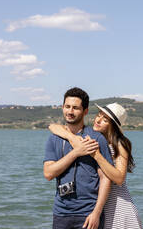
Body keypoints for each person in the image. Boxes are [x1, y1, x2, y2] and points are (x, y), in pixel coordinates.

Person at [49, 102, 143, 229]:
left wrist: (97, 155)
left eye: (105, 120)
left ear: (113, 126)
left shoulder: (120, 144)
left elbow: (120, 178)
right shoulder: (94, 139)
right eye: (99, 115)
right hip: (99, 203)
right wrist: (69, 136)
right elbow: (53, 127)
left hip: (117, 204)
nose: (98, 120)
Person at [43, 87, 114, 229]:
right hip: (61, 213)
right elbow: (48, 173)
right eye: (67, 107)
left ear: (85, 111)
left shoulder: (96, 138)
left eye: (75, 108)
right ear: (62, 107)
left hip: (89, 213)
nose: (70, 111)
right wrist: (76, 152)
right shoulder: (54, 139)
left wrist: (96, 212)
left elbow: (105, 178)